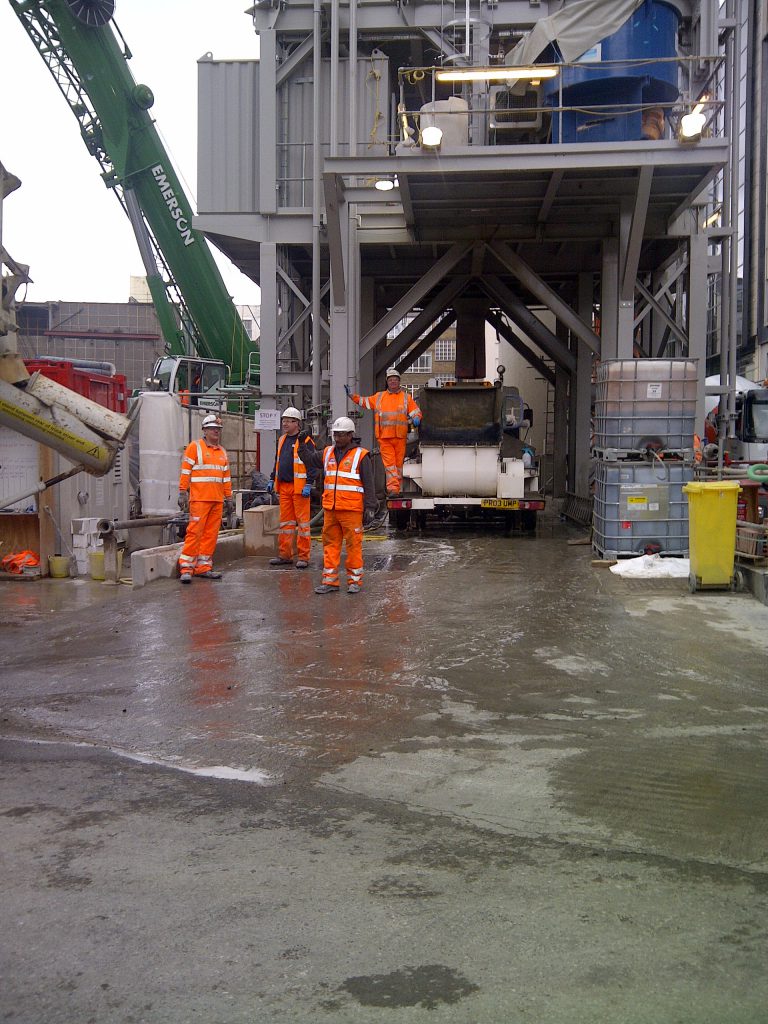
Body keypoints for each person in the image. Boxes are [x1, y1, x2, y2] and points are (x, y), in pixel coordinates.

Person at [297, 416, 377, 594]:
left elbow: (369, 483)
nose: (338, 438)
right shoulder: (327, 453)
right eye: (335, 435)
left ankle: (354, 581)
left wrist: (370, 507)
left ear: (350, 435)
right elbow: (309, 459)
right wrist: (302, 443)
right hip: (331, 509)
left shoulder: (360, 455)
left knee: (353, 546)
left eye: (341, 435)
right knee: (330, 545)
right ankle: (330, 581)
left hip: (351, 510)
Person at [345, 367, 422, 496]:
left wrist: (416, 418)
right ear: (387, 382)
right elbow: (364, 401)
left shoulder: (406, 398)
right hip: (384, 437)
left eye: (395, 380)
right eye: (390, 380)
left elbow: (416, 412)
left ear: (399, 382)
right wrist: (352, 396)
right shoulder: (379, 397)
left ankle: (396, 489)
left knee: (398, 465)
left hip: (400, 437)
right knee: (390, 465)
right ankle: (393, 489)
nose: (393, 382)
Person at [177, 413, 233, 583]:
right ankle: (186, 568)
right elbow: (186, 470)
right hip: (200, 499)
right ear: (205, 430)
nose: (216, 432)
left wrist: (229, 498)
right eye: (213, 429)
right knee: (194, 532)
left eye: (218, 429)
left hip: (217, 501)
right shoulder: (195, 447)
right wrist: (182, 491)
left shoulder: (222, 452)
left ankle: (203, 567)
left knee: (211, 534)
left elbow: (226, 478)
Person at [267, 407, 318, 569]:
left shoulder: (306, 441)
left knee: (303, 524)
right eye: (284, 420)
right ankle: (285, 555)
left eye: (289, 421)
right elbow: (278, 461)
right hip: (284, 487)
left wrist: (309, 483)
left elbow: (313, 464)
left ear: (297, 423)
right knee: (286, 524)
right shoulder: (282, 440)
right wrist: (271, 479)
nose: (285, 423)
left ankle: (304, 556)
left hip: (300, 489)